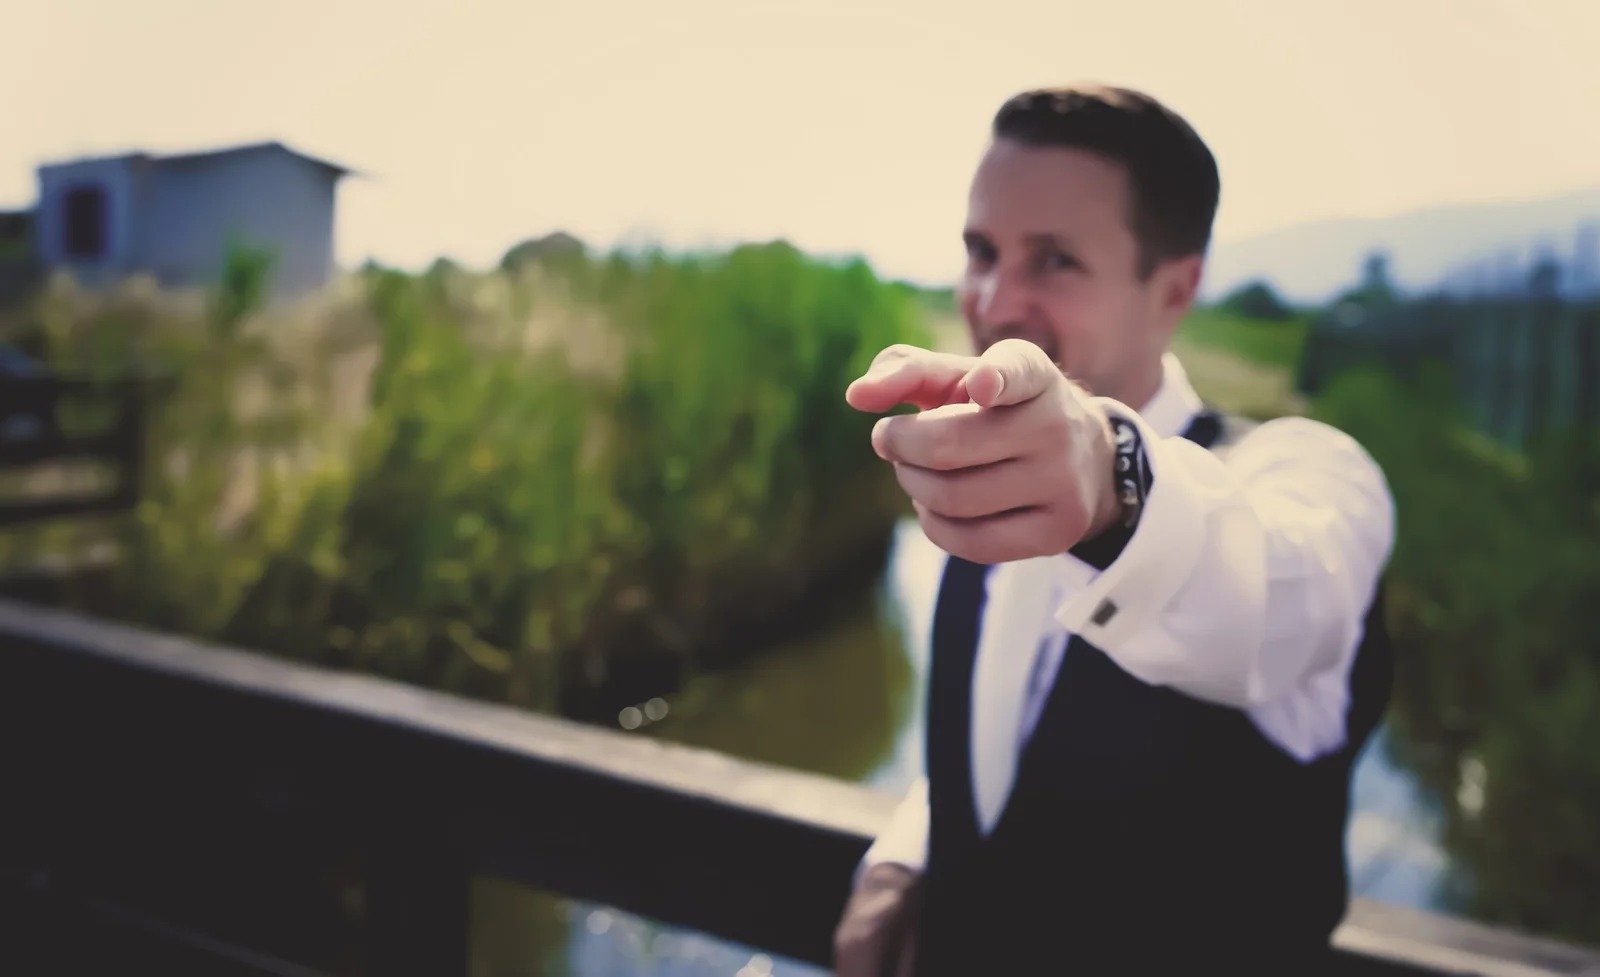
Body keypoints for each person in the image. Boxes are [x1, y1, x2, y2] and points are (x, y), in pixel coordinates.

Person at [832, 85, 1394, 975]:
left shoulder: (1310, 475)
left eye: (1054, 260)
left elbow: (1271, 602)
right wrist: (911, 848)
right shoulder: (984, 472)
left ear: (1174, 288)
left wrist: (1110, 478)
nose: (994, 300)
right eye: (981, 251)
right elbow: (997, 735)